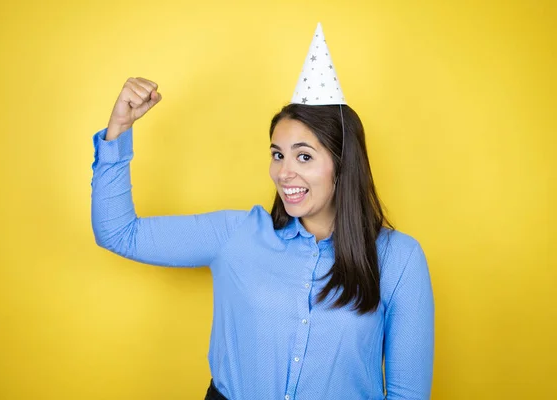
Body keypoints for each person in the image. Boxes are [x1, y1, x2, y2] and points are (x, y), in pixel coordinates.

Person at [91, 24, 434, 400]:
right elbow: (119, 233)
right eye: (277, 155)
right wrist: (118, 130)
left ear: (342, 164)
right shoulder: (237, 234)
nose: (284, 172)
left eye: (304, 156)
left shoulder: (398, 259)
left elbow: (407, 394)